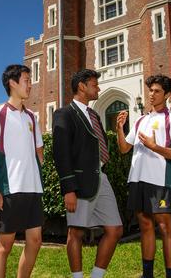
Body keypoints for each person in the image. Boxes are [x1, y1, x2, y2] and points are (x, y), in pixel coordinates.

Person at [52, 69, 123, 278]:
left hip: (101, 177)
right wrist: (69, 189)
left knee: (115, 229)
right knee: (76, 231)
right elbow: (61, 153)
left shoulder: (94, 115)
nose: (98, 88)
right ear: (81, 86)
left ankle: (96, 276)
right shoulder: (64, 113)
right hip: (80, 182)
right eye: (94, 84)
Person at [116, 75, 171, 278]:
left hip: (159, 181)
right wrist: (120, 128)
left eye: (156, 91)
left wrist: (155, 147)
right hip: (137, 179)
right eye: (150, 90)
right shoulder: (140, 120)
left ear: (167, 94)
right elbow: (123, 149)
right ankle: (148, 275)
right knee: (145, 226)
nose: (152, 94)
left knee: (165, 228)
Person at [0, 64, 44, 278]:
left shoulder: (32, 117)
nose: (30, 84)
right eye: (27, 79)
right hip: (10, 190)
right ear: (12, 83)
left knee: (35, 241)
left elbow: (38, 150)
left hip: (33, 189)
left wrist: (37, 167)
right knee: (4, 246)